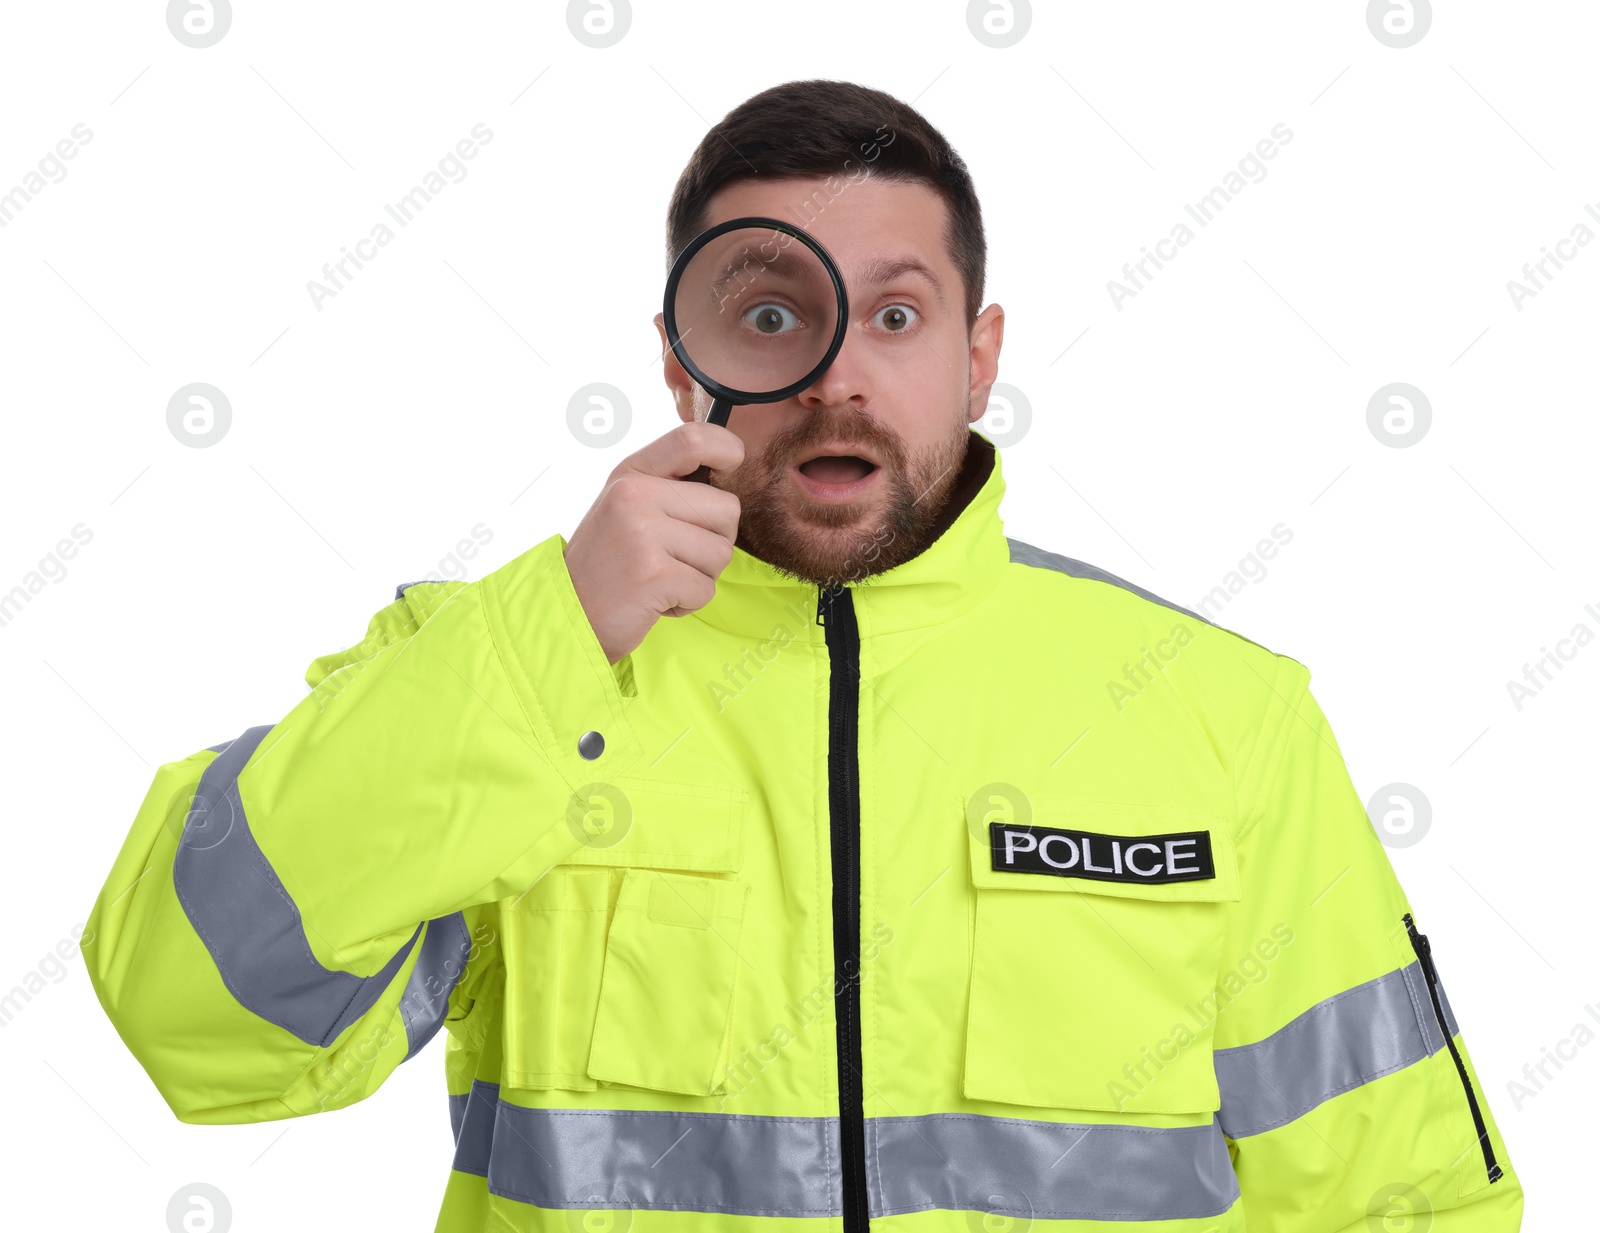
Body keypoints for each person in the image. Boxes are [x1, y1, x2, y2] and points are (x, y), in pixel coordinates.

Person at [86, 78, 1524, 1231]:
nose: (837, 372)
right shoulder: (497, 675)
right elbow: (194, 1017)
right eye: (772, 314)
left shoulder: (1225, 718)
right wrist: (548, 643)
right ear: (680, 359)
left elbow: (1403, 1203)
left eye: (896, 316)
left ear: (979, 352)